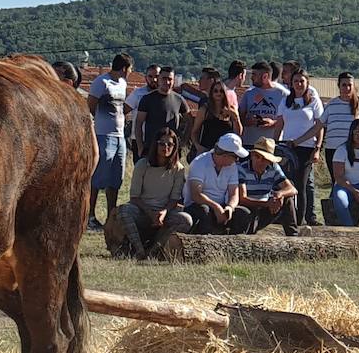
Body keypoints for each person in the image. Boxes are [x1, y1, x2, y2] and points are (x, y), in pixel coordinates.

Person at [114, 128, 192, 259]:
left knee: (186, 220)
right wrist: (150, 213)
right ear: (155, 145)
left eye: (170, 144)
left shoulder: (178, 169)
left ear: (175, 147)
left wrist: (164, 212)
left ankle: (154, 250)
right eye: (162, 143)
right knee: (124, 211)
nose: (165, 147)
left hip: (164, 214)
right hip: (142, 211)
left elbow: (174, 198)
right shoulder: (142, 165)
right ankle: (139, 250)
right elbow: (134, 197)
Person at [87, 52, 133, 230]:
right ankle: (90, 215)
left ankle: (111, 215)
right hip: (103, 135)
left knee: (116, 177)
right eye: (130, 69)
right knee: (98, 177)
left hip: (119, 136)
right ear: (124, 68)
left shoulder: (123, 83)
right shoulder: (101, 82)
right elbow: (90, 105)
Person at [277, 68, 324, 225]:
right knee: (285, 182)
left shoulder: (313, 101)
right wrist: (273, 144)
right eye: (296, 81)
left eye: (302, 81)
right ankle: (285, 217)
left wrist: (317, 147)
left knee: (301, 184)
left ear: (307, 83)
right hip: (287, 147)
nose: (298, 84)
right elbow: (279, 124)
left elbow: (319, 126)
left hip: (306, 147)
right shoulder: (285, 101)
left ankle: (300, 219)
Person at [183, 132, 248, 233]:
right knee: (204, 211)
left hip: (222, 206)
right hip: (197, 206)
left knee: (243, 213)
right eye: (236, 157)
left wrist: (230, 207)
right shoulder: (200, 162)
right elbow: (196, 195)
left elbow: (234, 193)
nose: (237, 160)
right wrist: (216, 207)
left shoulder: (232, 166)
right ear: (225, 155)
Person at [235, 137, 301, 234]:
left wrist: (280, 194)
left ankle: (293, 234)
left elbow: (292, 189)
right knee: (245, 212)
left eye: (264, 158)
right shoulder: (241, 169)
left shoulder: (273, 168)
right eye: (257, 157)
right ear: (252, 155)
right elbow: (242, 199)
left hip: (266, 208)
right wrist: (267, 203)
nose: (260, 161)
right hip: (249, 208)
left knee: (287, 199)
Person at [132, 66, 189, 163]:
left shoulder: (179, 100)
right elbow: (138, 124)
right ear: (158, 79)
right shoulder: (147, 99)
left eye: (170, 79)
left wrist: (184, 141)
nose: (167, 82)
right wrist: (140, 147)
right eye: (164, 78)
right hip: (150, 150)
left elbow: (190, 121)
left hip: (171, 151)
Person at [238, 60, 286, 148]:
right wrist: (249, 121)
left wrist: (273, 123)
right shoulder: (248, 94)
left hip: (271, 145)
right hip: (250, 143)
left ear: (265, 76)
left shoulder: (282, 94)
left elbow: (288, 119)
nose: (251, 78)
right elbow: (239, 118)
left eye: (254, 75)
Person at [189, 79, 242, 157]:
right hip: (207, 151)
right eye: (215, 91)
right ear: (211, 93)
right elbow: (194, 131)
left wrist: (235, 118)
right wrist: (198, 146)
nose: (218, 93)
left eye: (221, 91)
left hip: (226, 153)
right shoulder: (205, 110)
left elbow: (238, 134)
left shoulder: (232, 110)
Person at [125, 63, 160, 160]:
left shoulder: (166, 95)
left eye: (157, 76)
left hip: (160, 140)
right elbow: (123, 111)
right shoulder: (137, 94)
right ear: (146, 78)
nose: (154, 80)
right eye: (150, 76)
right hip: (140, 140)